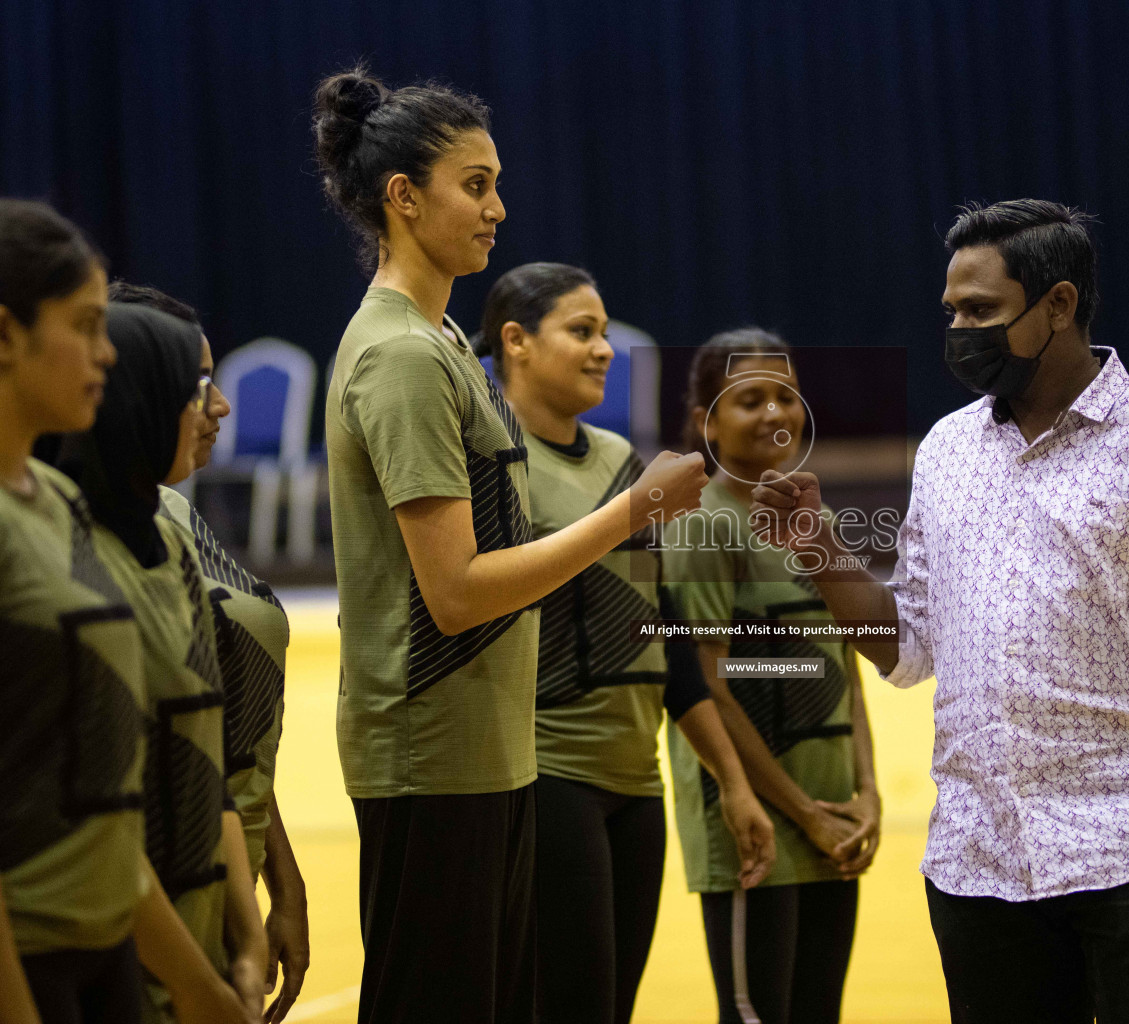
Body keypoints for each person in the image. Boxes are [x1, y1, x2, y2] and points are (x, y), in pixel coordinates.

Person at [749, 198, 1129, 1022]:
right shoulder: (946, 450)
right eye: (952, 311)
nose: (959, 329)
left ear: (1059, 305)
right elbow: (909, 649)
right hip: (978, 859)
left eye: (982, 311)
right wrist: (820, 549)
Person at [311, 69, 707, 1024]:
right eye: (475, 184)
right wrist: (628, 514)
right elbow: (454, 592)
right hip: (428, 752)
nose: (499, 208)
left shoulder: (442, 338)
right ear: (402, 197)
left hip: (485, 749)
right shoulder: (401, 355)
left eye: (496, 183)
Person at [480, 262, 776, 1023]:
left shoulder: (620, 462)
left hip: (636, 782)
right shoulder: (490, 464)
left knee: (613, 1006)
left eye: (606, 333)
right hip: (547, 774)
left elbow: (667, 637)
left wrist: (732, 781)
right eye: (582, 331)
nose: (604, 349)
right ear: (515, 342)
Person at [0, 200, 253, 1024]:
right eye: (84, 324)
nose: (104, 352)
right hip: (30, 956)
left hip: (113, 939)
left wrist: (196, 979)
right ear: (6, 336)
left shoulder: (60, 503)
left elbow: (110, 789)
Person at [49, 300, 270, 1023]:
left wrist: (246, 935)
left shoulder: (172, 542)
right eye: (193, 386)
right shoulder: (67, 560)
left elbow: (207, 760)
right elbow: (99, 820)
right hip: (120, 956)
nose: (218, 405)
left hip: (201, 933)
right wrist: (196, 984)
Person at [107, 282, 309, 1022]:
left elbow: (220, 719)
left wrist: (277, 882)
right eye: (197, 384)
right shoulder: (77, 540)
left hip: (225, 872)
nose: (220, 406)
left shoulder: (171, 513)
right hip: (144, 908)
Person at [664, 329, 880, 1024]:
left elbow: (846, 664)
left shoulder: (813, 520)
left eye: (785, 396)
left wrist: (864, 794)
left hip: (832, 824)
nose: (774, 414)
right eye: (748, 399)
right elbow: (705, 687)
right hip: (756, 832)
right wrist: (806, 814)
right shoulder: (697, 527)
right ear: (707, 421)